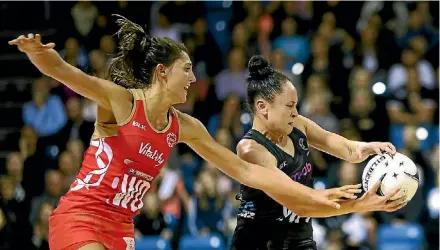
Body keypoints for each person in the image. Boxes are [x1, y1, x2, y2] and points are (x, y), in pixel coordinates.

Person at [10, 15, 361, 250]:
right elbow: (67, 73)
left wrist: (318, 196)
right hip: (81, 216)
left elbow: (248, 171)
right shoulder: (122, 102)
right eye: (187, 69)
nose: (193, 78)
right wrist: (37, 53)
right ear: (162, 72)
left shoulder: (184, 126)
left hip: (120, 226)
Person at [229, 55, 408, 250]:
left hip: (300, 240)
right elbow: (298, 203)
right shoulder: (251, 149)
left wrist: (362, 148)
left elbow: (336, 143)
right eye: (289, 106)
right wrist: (359, 205)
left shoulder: (297, 125)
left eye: (296, 104)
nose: (296, 112)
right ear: (262, 107)